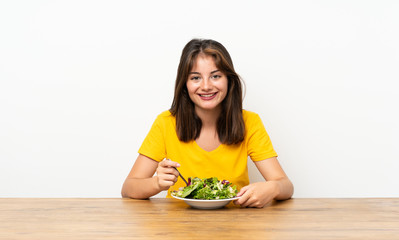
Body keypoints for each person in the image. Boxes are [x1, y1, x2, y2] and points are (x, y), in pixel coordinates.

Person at [122, 39, 293, 208]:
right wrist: (157, 183)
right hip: (177, 227)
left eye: (215, 76)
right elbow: (128, 188)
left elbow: (286, 185)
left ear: (229, 80)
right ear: (185, 84)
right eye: (195, 78)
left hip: (236, 226)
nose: (206, 86)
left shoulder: (250, 122)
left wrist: (272, 187)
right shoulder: (166, 123)